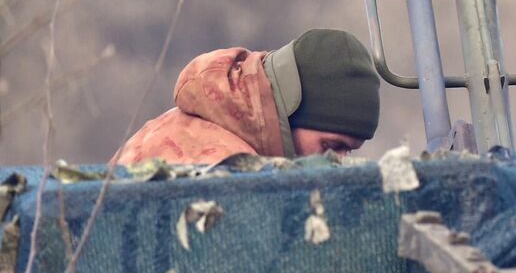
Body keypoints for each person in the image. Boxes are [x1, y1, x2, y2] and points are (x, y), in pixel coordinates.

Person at [112, 28, 380, 166]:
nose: (339, 162)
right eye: (331, 146)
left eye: (349, 152)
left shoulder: (206, 126)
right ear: (289, 111)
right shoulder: (227, 168)